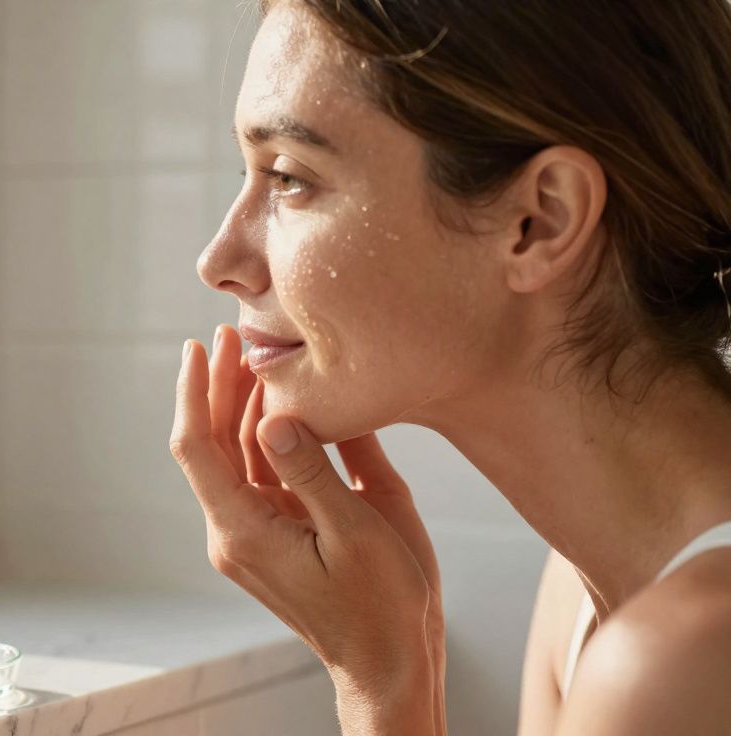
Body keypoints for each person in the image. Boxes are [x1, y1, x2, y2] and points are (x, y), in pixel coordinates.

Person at [168, 1, 731, 733]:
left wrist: (380, 686)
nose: (218, 261)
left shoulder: (683, 656)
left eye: (289, 177)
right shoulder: (586, 593)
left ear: (541, 220)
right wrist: (396, 659)